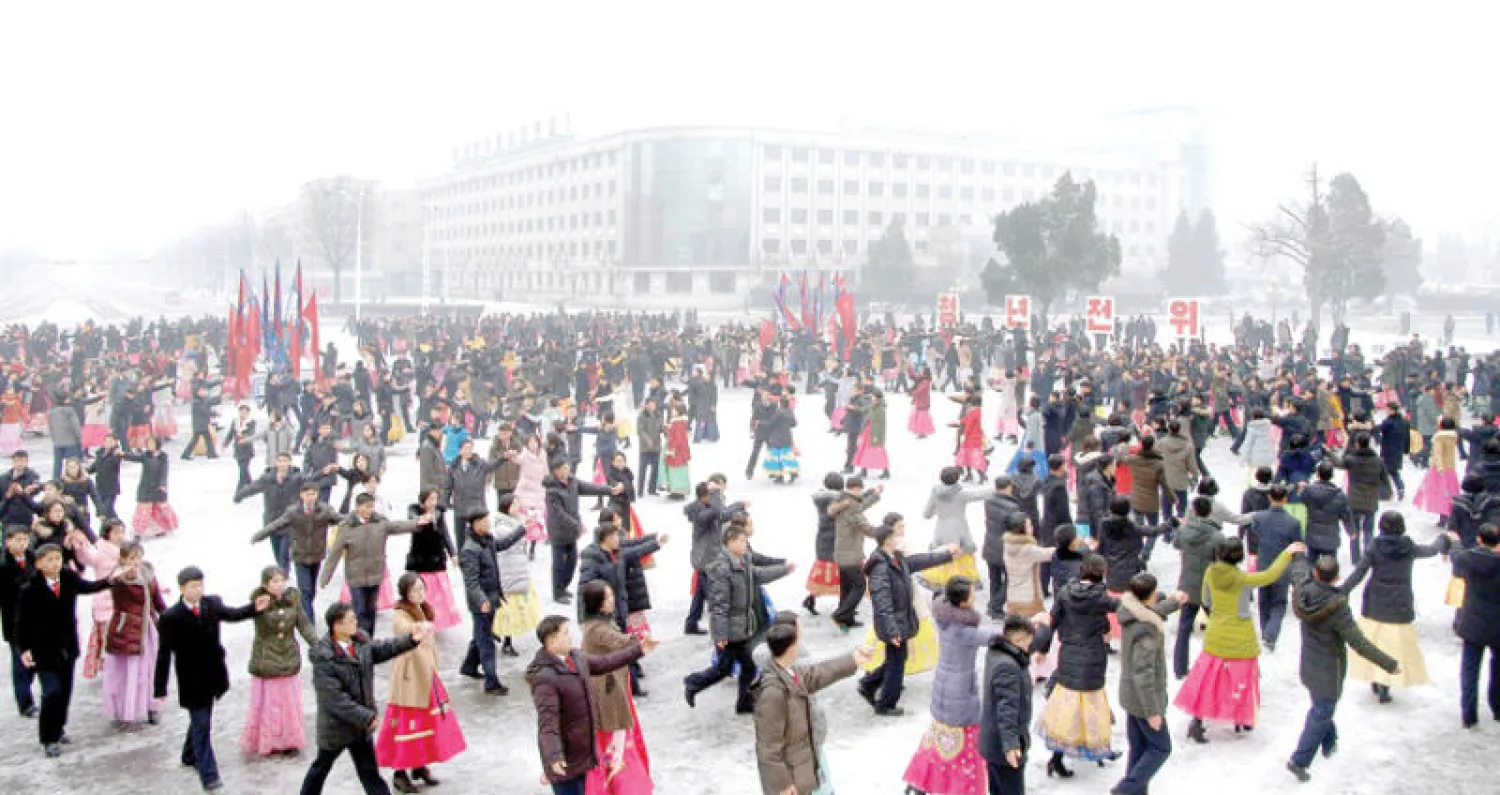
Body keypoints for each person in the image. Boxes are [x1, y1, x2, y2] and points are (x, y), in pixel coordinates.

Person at [1177, 536, 1304, 743]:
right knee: (1241, 680)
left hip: (1216, 635)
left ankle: (1197, 721)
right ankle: (1242, 717)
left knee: (1208, 679)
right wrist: (1287, 553)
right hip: (1241, 638)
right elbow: (1270, 575)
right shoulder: (1242, 579)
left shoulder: (1210, 572)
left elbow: (1206, 601)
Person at [155, 566, 271, 791]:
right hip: (191, 678)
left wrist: (253, 609)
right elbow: (163, 654)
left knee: (202, 718)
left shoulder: (211, 604)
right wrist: (159, 688)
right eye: (192, 586)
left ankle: (189, 754)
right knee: (202, 723)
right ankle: (209, 774)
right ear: (182, 589)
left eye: (200, 585)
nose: (197, 590)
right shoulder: (170, 617)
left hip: (212, 674)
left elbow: (232, 614)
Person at [1285, 556, 1400, 782]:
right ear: (1336, 577)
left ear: (1315, 573)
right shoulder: (1338, 609)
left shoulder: (1303, 593)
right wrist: (1389, 664)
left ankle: (1329, 742)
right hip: (1329, 669)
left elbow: (1297, 570)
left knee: (1321, 705)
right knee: (1321, 711)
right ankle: (1299, 760)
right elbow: (1359, 644)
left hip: (1309, 663)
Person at [300, 601, 423, 795]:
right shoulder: (325, 658)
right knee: (320, 768)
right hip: (336, 728)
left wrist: (410, 640)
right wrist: (366, 716)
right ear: (337, 626)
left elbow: (382, 649)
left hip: (359, 727)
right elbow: (334, 700)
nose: (356, 622)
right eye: (351, 620)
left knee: (370, 773)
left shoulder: (359, 641)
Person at [527, 614, 654, 795]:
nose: (570, 636)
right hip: (565, 762)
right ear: (552, 641)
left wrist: (639, 650)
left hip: (584, 754)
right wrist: (553, 756)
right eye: (565, 633)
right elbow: (548, 722)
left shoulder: (576, 658)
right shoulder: (545, 679)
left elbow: (605, 662)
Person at [1341, 510, 1452, 704]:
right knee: (1393, 643)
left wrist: (1342, 590)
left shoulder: (1375, 546)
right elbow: (1431, 550)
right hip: (1399, 600)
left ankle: (1376, 677)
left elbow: (1359, 572)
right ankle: (1385, 684)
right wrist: (1443, 540)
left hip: (1376, 599)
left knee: (1374, 641)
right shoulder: (1408, 547)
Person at [754, 611, 871, 795]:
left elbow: (822, 672)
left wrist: (853, 659)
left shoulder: (791, 672)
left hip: (804, 765)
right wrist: (781, 785)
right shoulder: (772, 693)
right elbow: (768, 747)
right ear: (792, 647)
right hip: (792, 777)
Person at [684, 522, 793, 714]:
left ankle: (743, 702)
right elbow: (719, 605)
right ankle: (694, 682)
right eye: (742, 541)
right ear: (730, 541)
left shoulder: (743, 561)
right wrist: (720, 635)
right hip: (731, 629)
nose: (745, 544)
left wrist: (784, 569)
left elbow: (759, 575)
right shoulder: (721, 568)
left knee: (743, 667)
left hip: (741, 626)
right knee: (727, 669)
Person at [14, 542, 111, 756]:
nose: (55, 563)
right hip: (43, 650)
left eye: (57, 558)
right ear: (38, 563)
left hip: (67, 647)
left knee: (65, 691)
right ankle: (48, 738)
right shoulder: (29, 589)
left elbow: (88, 587)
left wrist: (110, 581)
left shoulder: (68, 578)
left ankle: (59, 728)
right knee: (52, 691)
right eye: (49, 559)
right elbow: (21, 624)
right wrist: (24, 649)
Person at [901, 576, 996, 795]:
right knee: (961, 744)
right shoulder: (963, 630)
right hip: (960, 692)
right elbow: (993, 637)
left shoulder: (944, 617)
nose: (975, 596)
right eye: (972, 594)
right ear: (962, 602)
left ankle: (919, 781)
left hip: (943, 686)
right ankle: (957, 787)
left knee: (937, 739)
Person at [376, 574, 466, 793]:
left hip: (426, 673)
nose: (419, 594)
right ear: (405, 593)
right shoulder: (400, 614)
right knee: (409, 723)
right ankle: (400, 771)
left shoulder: (423, 609)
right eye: (415, 590)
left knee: (426, 722)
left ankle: (419, 765)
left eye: (421, 590)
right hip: (410, 678)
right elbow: (407, 631)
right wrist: (421, 628)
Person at [859, 513, 957, 716]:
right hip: (893, 622)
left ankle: (869, 683)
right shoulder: (880, 567)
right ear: (888, 541)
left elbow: (921, 561)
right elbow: (882, 602)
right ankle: (885, 704)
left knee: (897, 658)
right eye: (896, 536)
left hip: (900, 618)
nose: (899, 538)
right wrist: (892, 630)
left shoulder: (896, 559)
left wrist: (947, 555)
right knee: (897, 662)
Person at [1037, 552, 1120, 777]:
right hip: (1092, 656)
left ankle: (1058, 757)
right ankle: (1096, 748)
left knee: (1070, 707)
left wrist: (1043, 649)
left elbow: (1052, 622)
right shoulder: (1102, 598)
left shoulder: (1065, 592)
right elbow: (1122, 607)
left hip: (1069, 653)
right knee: (1091, 705)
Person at [319, 493, 433, 636]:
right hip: (356, 577)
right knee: (359, 611)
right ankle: (361, 642)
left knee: (371, 611)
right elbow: (334, 554)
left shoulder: (379, 523)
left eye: (372, 506)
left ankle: (368, 641)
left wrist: (417, 522)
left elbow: (398, 526)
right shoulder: (347, 527)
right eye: (367, 507)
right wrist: (325, 577)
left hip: (375, 575)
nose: (370, 510)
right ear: (358, 507)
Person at [579, 581, 654, 793]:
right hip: (608, 690)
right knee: (616, 738)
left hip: (613, 685)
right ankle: (620, 783)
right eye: (608, 597)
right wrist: (640, 640)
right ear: (598, 604)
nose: (613, 600)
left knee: (620, 735)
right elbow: (621, 642)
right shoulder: (596, 629)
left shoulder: (600, 623)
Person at [1114, 572, 1185, 795]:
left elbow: (1150, 612)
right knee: (1160, 748)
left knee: (1139, 748)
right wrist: (1153, 711)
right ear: (1151, 595)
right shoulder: (1147, 631)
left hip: (1130, 695)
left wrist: (1173, 602)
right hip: (1145, 700)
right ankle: (1125, 790)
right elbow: (1143, 673)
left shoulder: (1130, 610)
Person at [241, 565, 316, 758]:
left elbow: (304, 624)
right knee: (271, 703)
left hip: (288, 656)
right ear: (265, 584)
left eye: (282, 580)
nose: (279, 585)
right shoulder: (259, 603)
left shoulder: (293, 601)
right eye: (274, 581)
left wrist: (317, 644)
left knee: (288, 702)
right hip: (267, 657)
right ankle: (270, 740)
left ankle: (289, 740)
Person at [89, 538, 166, 725]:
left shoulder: (148, 574)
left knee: (149, 669)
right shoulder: (118, 577)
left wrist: (167, 617)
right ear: (122, 559)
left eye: (138, 557)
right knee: (126, 671)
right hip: (125, 628)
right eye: (131, 558)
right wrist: (121, 575)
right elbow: (110, 583)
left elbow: (158, 600)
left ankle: (151, 707)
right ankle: (125, 709)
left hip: (146, 629)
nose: (135, 562)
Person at [457, 508, 527, 695]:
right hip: (482, 603)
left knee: (481, 635)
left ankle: (469, 667)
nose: (488, 524)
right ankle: (491, 682)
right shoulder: (470, 550)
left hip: (492, 598)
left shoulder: (487, 540)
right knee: (486, 641)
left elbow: (502, 544)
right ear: (475, 524)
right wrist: (482, 601)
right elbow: (471, 582)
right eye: (485, 521)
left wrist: (521, 530)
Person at [252, 481, 344, 620]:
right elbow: (277, 525)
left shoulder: (324, 510)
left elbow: (340, 519)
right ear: (301, 495)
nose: (310, 497)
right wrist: (259, 535)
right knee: (305, 590)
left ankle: (304, 610)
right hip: (300, 556)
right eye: (307, 494)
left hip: (316, 555)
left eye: (313, 494)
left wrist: (357, 520)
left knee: (311, 591)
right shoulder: (293, 511)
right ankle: (309, 622)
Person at [543, 458, 619, 605]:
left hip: (572, 530)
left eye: (567, 468)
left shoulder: (572, 481)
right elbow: (559, 514)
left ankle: (564, 586)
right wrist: (577, 525)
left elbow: (589, 487)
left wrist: (609, 490)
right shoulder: (552, 490)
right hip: (558, 531)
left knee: (571, 561)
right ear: (556, 471)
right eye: (563, 468)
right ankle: (557, 592)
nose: (566, 471)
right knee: (559, 563)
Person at [978, 615, 1038, 795]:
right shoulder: (1008, 667)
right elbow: (1007, 710)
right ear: (1018, 640)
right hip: (1004, 748)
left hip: (994, 744)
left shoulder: (997, 652)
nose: (1029, 649)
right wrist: (1011, 746)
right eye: (1028, 644)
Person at [1449, 523, 1500, 728]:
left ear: (1479, 539)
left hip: (1473, 622)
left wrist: (1455, 540)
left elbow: (1456, 554)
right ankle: (1497, 707)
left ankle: (1469, 714)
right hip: (1498, 623)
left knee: (1470, 668)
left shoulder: (1469, 558)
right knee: (1498, 668)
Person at [1172, 497, 1225, 679]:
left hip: (1187, 583)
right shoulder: (1217, 536)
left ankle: (1180, 669)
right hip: (1210, 588)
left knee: (1184, 628)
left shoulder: (1184, 530)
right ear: (1210, 511)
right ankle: (1224, 664)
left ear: (1193, 511)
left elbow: (1176, 543)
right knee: (1220, 627)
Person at [1249, 485, 1303, 651]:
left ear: (1269, 498)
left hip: (1264, 565)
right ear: (1286, 499)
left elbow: (1254, 537)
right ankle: (1270, 635)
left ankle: (1266, 630)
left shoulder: (1259, 518)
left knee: (1263, 601)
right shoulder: (1294, 523)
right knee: (1279, 604)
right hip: (1283, 567)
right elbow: (1297, 547)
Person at [490, 494, 542, 658]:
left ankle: (500, 635)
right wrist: (523, 529)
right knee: (508, 610)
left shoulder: (515, 522)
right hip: (509, 573)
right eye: (514, 505)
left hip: (517, 571)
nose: (518, 508)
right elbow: (510, 542)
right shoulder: (501, 527)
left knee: (512, 608)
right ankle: (505, 640)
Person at [923, 466, 989, 592]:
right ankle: (960, 582)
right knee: (961, 553)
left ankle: (941, 581)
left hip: (941, 528)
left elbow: (927, 513)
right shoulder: (961, 494)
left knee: (942, 553)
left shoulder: (935, 492)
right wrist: (996, 488)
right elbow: (979, 494)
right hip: (960, 528)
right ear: (957, 478)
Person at [404, 487, 461, 631]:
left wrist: (452, 553)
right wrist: (422, 519)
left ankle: (436, 621)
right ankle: (420, 620)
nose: (433, 502)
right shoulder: (414, 511)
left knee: (439, 596)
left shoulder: (439, 514)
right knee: (422, 594)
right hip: (420, 561)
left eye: (435, 498)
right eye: (430, 499)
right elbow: (412, 519)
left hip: (437, 560)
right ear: (423, 500)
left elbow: (445, 534)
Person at [829, 477, 882, 630]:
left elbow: (861, 505)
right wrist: (882, 532)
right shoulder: (850, 505)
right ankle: (841, 614)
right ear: (856, 488)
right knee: (859, 585)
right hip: (850, 555)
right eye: (860, 490)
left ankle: (847, 618)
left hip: (842, 552)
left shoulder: (844, 501)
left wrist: (874, 494)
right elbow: (864, 525)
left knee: (847, 586)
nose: (860, 493)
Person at [0, 525, 37, 717]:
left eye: (25, 539)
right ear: (8, 541)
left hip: (35, 620)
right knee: (20, 663)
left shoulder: (33, 557)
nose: (22, 543)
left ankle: (27, 694)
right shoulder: (4, 564)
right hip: (14, 622)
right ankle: (25, 703)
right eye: (18, 540)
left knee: (34, 662)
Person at [802, 473, 844, 616]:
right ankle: (843, 605)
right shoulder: (838, 502)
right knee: (842, 573)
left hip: (824, 541)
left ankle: (811, 599)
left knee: (826, 573)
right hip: (835, 541)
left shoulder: (822, 500)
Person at [122, 436, 179, 538]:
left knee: (158, 509)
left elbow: (164, 472)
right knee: (144, 510)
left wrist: (162, 484)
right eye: (148, 443)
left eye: (152, 443)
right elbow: (134, 457)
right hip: (145, 487)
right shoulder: (145, 455)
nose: (150, 445)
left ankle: (159, 529)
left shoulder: (163, 456)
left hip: (157, 488)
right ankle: (138, 531)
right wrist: (123, 454)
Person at [1415, 416, 1461, 524]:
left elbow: (1438, 454)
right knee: (1451, 492)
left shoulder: (1439, 438)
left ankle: (1443, 517)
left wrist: (1440, 468)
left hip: (1439, 469)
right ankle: (1449, 515)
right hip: (1451, 468)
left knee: (1439, 493)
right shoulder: (1453, 437)